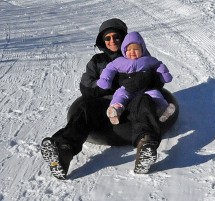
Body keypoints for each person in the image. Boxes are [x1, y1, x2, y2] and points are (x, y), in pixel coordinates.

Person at [40, 18, 177, 180]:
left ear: (124, 38)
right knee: (85, 109)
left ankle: (145, 146)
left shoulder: (137, 54)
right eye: (108, 38)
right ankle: (63, 149)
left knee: (145, 102)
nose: (112, 41)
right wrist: (114, 85)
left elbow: (158, 78)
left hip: (135, 104)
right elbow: (86, 87)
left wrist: (143, 80)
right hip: (107, 106)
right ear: (102, 40)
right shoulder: (97, 62)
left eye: (117, 37)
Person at [97, 31, 176, 125]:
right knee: (120, 95)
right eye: (129, 50)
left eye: (136, 49)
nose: (132, 52)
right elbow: (109, 68)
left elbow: (158, 65)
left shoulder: (147, 59)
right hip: (127, 88)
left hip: (145, 89)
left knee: (155, 94)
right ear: (124, 51)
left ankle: (162, 110)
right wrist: (105, 79)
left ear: (142, 49)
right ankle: (116, 110)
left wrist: (164, 74)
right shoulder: (120, 61)